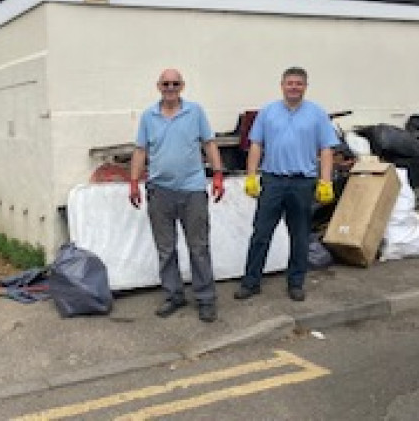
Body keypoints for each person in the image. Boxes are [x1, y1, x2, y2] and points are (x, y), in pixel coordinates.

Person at [234, 67, 338, 302]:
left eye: (298, 83)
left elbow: (326, 149)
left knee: (299, 236)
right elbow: (256, 145)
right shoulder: (268, 112)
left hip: (303, 183)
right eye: (289, 83)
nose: (294, 87)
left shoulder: (317, 114)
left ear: (305, 87)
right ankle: (251, 283)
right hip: (272, 181)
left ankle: (296, 283)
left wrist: (325, 180)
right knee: (261, 234)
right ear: (282, 85)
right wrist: (251, 175)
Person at [129, 68, 225, 323]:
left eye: (175, 83)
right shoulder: (148, 116)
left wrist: (217, 175)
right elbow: (140, 150)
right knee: (166, 249)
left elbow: (209, 144)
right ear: (158, 86)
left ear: (182, 86)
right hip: (160, 191)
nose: (170, 88)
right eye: (165, 84)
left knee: (199, 247)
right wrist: (133, 182)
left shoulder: (195, 112)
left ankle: (205, 299)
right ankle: (173, 295)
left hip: (192, 189)